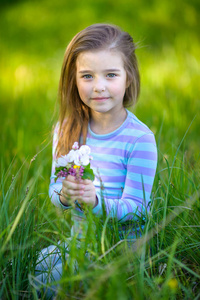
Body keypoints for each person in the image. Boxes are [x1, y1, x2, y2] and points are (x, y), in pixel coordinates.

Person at [34, 23, 157, 297]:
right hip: (79, 243)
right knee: (34, 266)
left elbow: (139, 209)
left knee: (54, 281)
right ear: (73, 80)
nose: (99, 86)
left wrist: (96, 203)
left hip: (120, 252)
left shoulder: (139, 139)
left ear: (129, 78)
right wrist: (65, 196)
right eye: (87, 76)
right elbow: (55, 192)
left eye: (111, 75)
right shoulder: (67, 129)